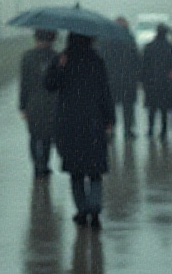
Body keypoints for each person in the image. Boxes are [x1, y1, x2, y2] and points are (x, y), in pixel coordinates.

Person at [49, 32, 115, 228]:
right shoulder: (97, 61)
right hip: (94, 121)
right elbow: (105, 91)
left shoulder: (63, 59)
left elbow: (49, 84)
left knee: (76, 172)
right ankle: (95, 209)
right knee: (95, 170)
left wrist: (58, 67)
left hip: (69, 123)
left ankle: (82, 209)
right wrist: (109, 118)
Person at [20, 28, 60, 176]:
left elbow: (24, 84)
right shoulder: (56, 57)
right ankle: (45, 163)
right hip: (52, 103)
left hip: (33, 103)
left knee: (35, 135)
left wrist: (22, 106)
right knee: (48, 136)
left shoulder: (28, 57)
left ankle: (37, 165)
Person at [99, 17, 142, 139]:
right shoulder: (129, 40)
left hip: (110, 79)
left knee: (110, 107)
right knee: (128, 107)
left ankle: (110, 131)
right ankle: (128, 130)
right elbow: (137, 60)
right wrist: (138, 77)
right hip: (127, 79)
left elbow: (102, 58)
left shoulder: (105, 40)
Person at [141, 23, 172, 139]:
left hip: (151, 82)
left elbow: (144, 65)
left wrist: (143, 81)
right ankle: (163, 130)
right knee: (164, 108)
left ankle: (150, 130)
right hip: (165, 83)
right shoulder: (170, 48)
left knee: (152, 109)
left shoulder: (149, 47)